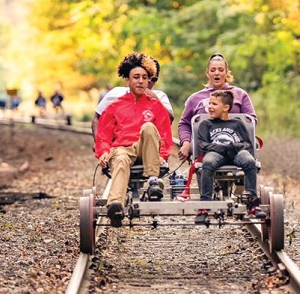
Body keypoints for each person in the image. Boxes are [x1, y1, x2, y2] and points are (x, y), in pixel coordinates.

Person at [94, 52, 173, 227]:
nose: (140, 81)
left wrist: (163, 155)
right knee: (120, 159)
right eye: (136, 77)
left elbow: (165, 134)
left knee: (148, 127)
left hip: (146, 150)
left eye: (145, 78)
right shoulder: (115, 105)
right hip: (122, 148)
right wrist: (104, 152)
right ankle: (115, 205)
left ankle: (153, 182)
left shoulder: (156, 104)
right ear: (127, 81)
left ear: (149, 81)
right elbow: (103, 135)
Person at [193, 90, 260, 224]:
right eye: (209, 103)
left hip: (235, 152)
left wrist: (235, 147)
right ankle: (205, 205)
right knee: (208, 162)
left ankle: (252, 201)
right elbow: (202, 144)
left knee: (249, 161)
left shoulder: (237, 123)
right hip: (216, 152)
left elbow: (247, 144)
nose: (209, 107)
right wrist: (222, 148)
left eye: (214, 104)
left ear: (226, 107)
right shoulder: (206, 124)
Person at [177, 53, 256, 161]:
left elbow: (250, 121)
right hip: (205, 147)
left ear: (226, 72)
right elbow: (184, 124)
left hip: (235, 146)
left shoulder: (240, 95)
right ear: (207, 73)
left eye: (221, 69)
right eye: (213, 70)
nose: (217, 73)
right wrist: (186, 143)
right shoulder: (195, 98)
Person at [92, 58, 173, 138]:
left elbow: (169, 120)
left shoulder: (160, 96)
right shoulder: (116, 93)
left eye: (153, 79)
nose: (148, 81)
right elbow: (97, 118)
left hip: (148, 147)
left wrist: (151, 95)